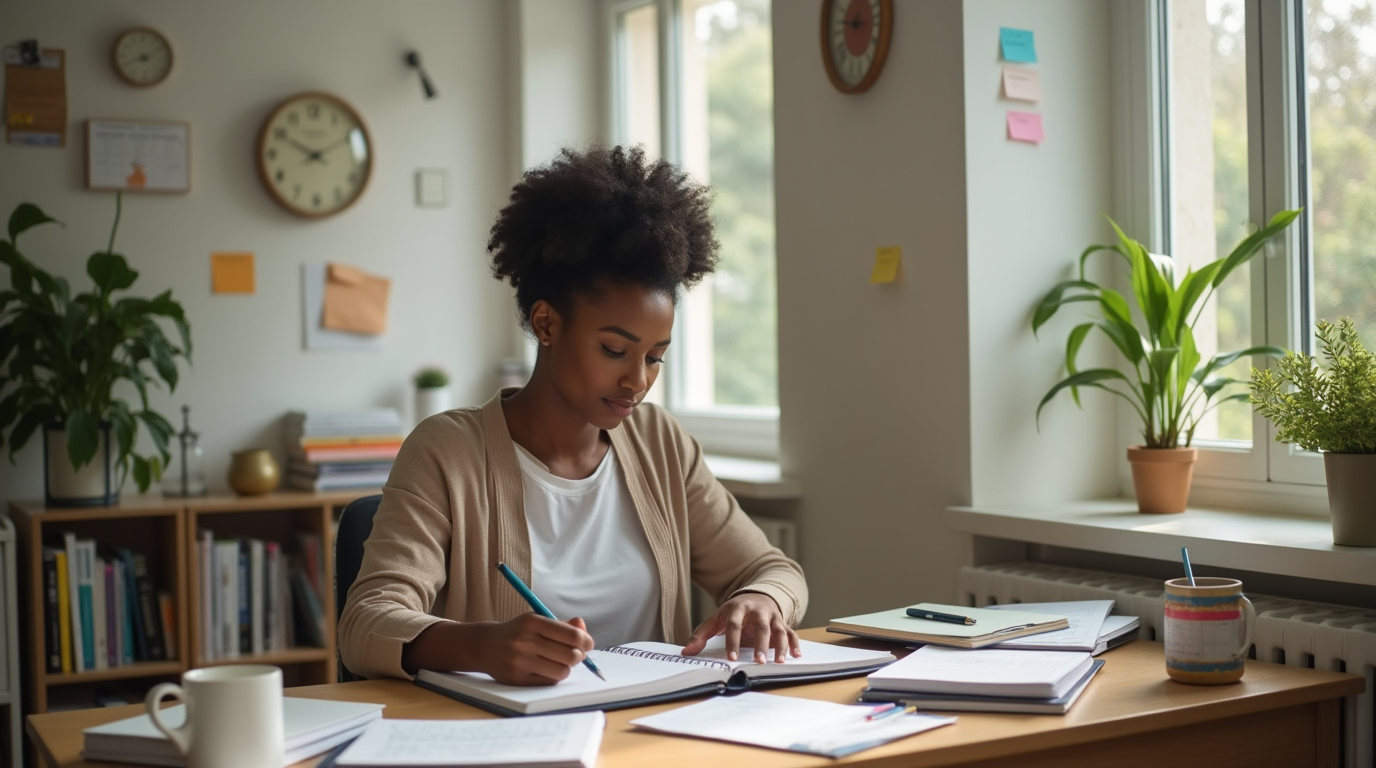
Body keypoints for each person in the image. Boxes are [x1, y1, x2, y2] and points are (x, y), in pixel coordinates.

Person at [338, 145, 808, 685]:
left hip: (651, 735)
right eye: (614, 350)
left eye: (655, 356)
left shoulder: (659, 442)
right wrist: (481, 645)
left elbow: (773, 570)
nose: (638, 380)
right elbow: (365, 623)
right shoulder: (448, 451)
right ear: (546, 324)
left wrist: (760, 599)